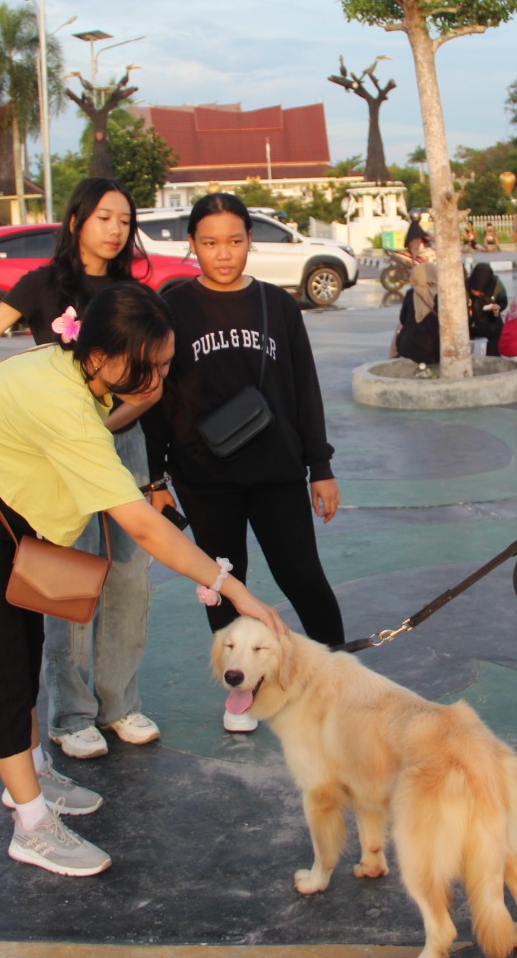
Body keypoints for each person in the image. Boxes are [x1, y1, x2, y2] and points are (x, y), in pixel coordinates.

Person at [0, 283, 289, 877]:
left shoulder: (77, 368)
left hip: (5, 508)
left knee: (26, 646)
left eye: (167, 363)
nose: (163, 376)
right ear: (106, 356)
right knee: (0, 667)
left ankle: (30, 776)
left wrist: (151, 386)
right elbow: (143, 527)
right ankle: (31, 827)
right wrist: (233, 586)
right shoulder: (61, 402)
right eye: (153, 365)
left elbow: (111, 427)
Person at [0, 177, 163, 761]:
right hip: (60, 456)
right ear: (76, 222)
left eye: (124, 220)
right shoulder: (42, 285)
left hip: (124, 445)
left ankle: (119, 703)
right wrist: (12, 416)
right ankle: (72, 716)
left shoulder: (131, 293)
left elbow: (151, 385)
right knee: (70, 579)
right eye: (103, 218)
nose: (116, 230)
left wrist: (120, 424)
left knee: (128, 577)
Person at [143, 193, 346, 733]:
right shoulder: (173, 308)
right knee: (221, 584)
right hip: (203, 478)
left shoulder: (276, 305)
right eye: (210, 243)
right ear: (192, 245)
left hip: (276, 472)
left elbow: (305, 387)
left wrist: (319, 466)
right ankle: (244, 695)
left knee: (303, 578)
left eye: (235, 241)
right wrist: (155, 477)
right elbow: (156, 395)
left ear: (250, 241)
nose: (224, 254)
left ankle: (336, 683)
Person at [391, 261, 440, 366]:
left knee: (399, 328)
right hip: (434, 351)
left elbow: (402, 319)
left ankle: (392, 356)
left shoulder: (411, 293)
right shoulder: (441, 295)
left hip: (408, 348)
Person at [467, 261, 506, 356]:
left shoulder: (496, 285)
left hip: (491, 326)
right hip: (469, 327)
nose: (476, 294)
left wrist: (497, 307)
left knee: (493, 354)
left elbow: (503, 301)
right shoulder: (465, 286)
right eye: (474, 290)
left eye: (480, 292)